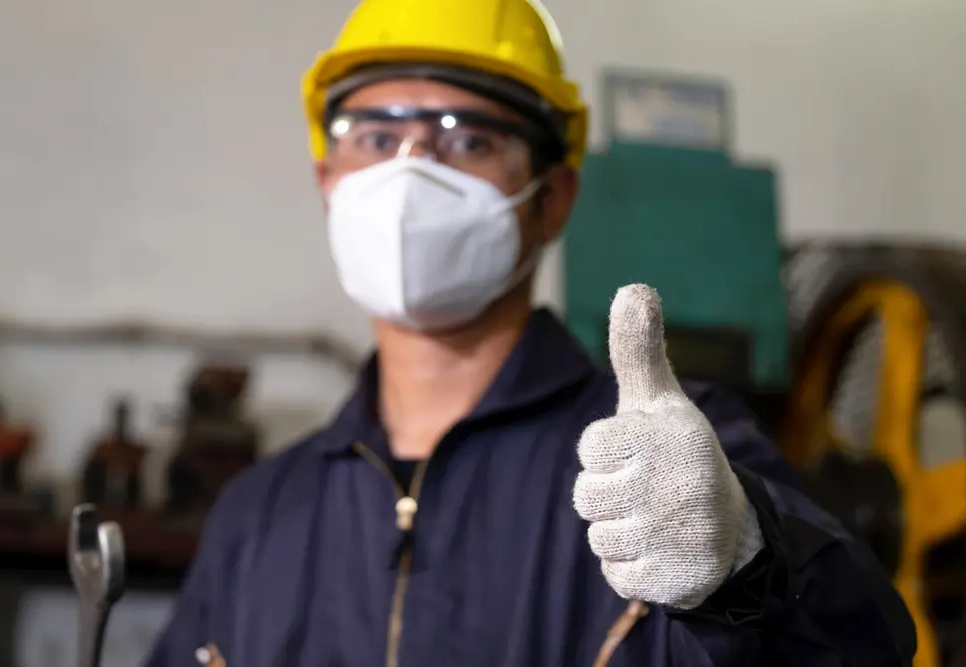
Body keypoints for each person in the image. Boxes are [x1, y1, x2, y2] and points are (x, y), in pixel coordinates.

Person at [145, 0, 917, 665]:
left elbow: (865, 643)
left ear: (553, 198)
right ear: (328, 184)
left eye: (468, 138)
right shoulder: (259, 514)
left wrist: (747, 554)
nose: (412, 173)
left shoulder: (667, 467)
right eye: (376, 137)